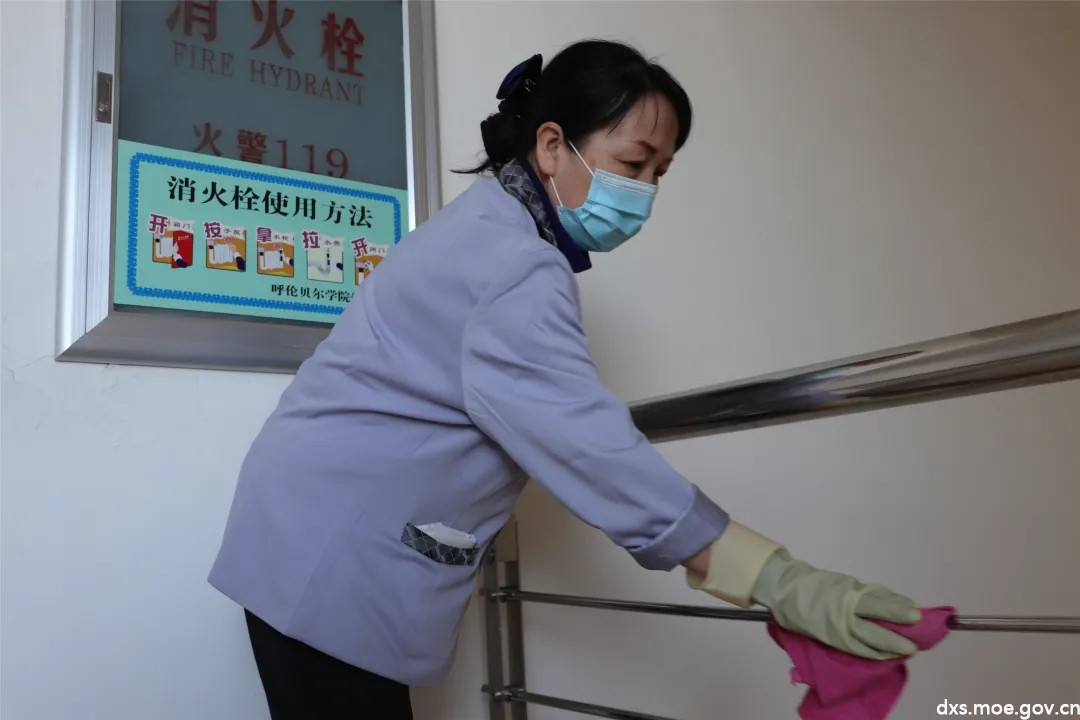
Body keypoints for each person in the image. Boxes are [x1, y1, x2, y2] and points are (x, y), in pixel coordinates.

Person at [208, 39, 922, 720]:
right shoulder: (515, 264)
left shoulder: (489, 227)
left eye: (659, 174)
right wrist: (773, 577)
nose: (644, 192)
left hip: (308, 536)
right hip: (332, 560)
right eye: (632, 163)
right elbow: (588, 445)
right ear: (552, 145)